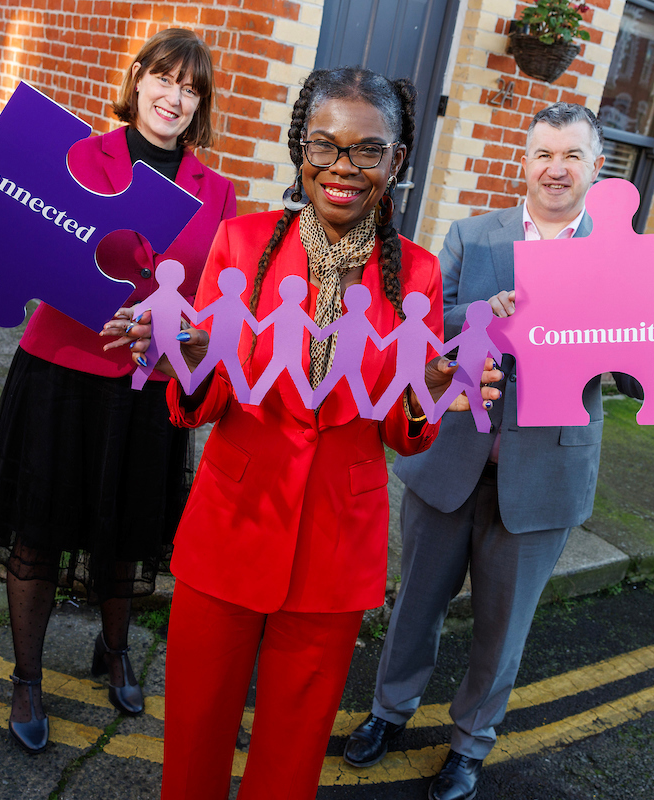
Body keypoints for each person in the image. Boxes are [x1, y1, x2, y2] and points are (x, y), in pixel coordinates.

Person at [115, 66, 501, 800]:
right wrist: (186, 359)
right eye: (324, 145)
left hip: (335, 541)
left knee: (290, 760)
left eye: (368, 150)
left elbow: (402, 428)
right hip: (230, 524)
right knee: (193, 735)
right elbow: (204, 398)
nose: (343, 168)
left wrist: (436, 395)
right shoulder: (240, 242)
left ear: (397, 161)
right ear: (299, 149)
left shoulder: (414, 275)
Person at [344, 103, 654, 800]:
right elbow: (421, 326)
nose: (556, 168)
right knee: (415, 606)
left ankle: (468, 746)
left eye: (572, 155)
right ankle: (387, 712)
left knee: (503, 625)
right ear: (524, 162)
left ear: (595, 166)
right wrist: (493, 313)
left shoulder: (624, 262)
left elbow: (638, 373)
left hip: (546, 471)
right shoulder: (470, 236)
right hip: (450, 457)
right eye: (544, 153)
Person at [0, 28, 237, 754]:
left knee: (127, 538)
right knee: (37, 534)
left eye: (191, 88)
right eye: (164, 78)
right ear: (136, 81)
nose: (175, 96)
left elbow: (221, 304)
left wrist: (183, 324)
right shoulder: (75, 159)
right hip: (60, 371)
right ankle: (29, 678)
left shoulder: (216, 193)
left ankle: (117, 648)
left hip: (146, 384)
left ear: (201, 106)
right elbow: (2, 230)